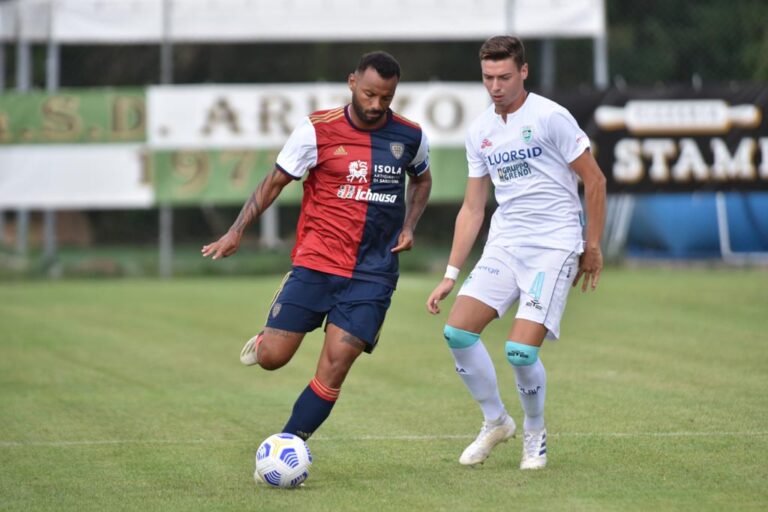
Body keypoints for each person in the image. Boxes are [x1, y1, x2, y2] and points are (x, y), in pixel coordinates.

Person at [202, 51, 432, 480]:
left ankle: (287, 446)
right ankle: (265, 338)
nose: (377, 104)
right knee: (273, 359)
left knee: (336, 365)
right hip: (317, 262)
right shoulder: (316, 130)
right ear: (351, 83)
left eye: (386, 96)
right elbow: (274, 182)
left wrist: (410, 224)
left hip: (374, 272)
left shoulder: (411, 136)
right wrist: (236, 231)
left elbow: (421, 178)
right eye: (369, 94)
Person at [426, 35, 606, 470]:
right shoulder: (480, 131)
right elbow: (472, 208)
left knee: (520, 353)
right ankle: (496, 422)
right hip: (506, 243)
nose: (496, 86)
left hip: (555, 244)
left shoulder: (551, 117)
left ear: (523, 71)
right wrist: (451, 272)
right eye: (488, 77)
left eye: (504, 76)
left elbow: (595, 181)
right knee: (457, 333)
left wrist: (593, 245)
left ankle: (535, 432)